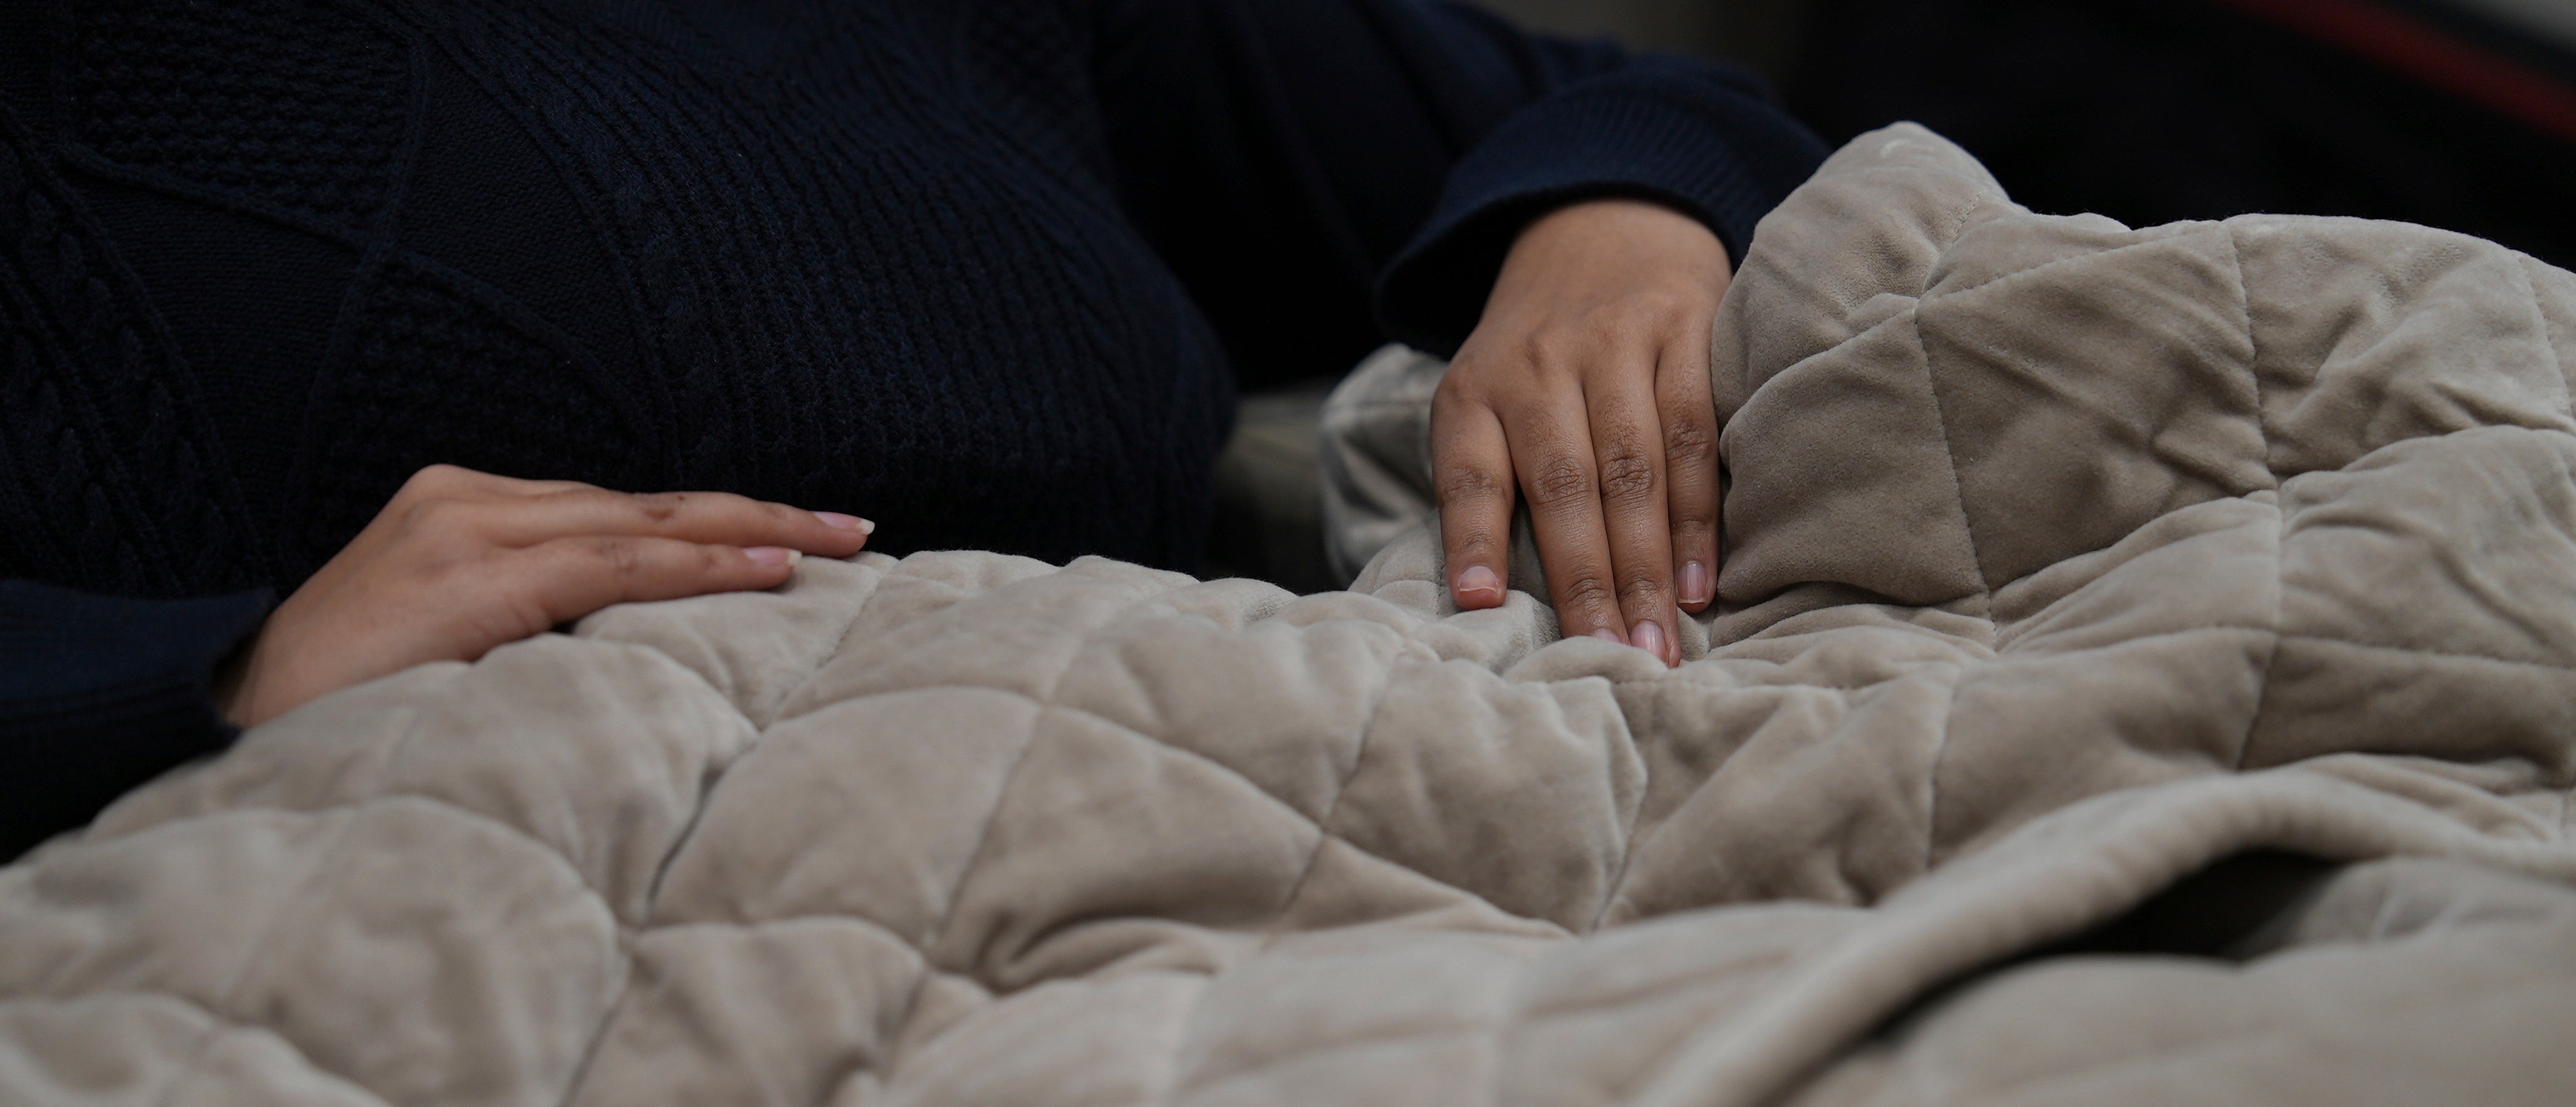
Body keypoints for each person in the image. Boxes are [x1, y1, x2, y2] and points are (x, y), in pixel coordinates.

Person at [0, 0, 1828, 860]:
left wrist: (1602, 247)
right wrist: (206, 673)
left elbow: (1627, 109)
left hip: (1248, 827)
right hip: (485, 924)